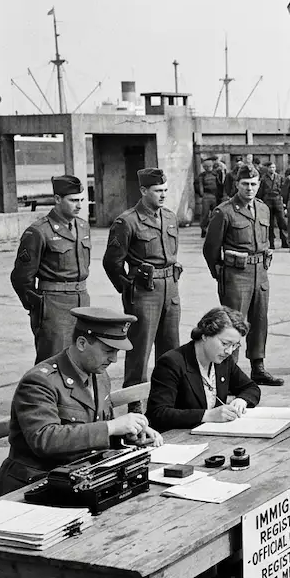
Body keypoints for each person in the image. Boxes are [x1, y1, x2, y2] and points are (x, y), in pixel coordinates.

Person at [0, 307, 162, 578]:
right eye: (108, 349)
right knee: (96, 538)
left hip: (77, 480)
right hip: (33, 488)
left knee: (138, 517)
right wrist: (112, 426)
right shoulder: (40, 381)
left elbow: (96, 431)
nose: (113, 358)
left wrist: (129, 433)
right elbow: (44, 439)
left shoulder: (98, 373)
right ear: (83, 343)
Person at [102, 168, 182, 407]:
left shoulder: (169, 217)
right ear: (144, 190)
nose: (163, 195)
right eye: (158, 191)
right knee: (140, 349)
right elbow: (112, 262)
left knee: (171, 347)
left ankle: (167, 395)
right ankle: (135, 400)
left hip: (171, 287)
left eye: (165, 190)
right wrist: (127, 289)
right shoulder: (127, 221)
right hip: (144, 292)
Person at [203, 164, 284, 386]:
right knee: (233, 325)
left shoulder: (264, 208)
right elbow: (210, 249)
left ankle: (258, 367)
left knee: (259, 321)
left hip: (261, 274)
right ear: (237, 185)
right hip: (236, 275)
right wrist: (219, 273)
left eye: (253, 184)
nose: (250, 188)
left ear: (259, 185)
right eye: (245, 184)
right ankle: (229, 375)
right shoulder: (225, 211)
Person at [10, 175, 93, 364]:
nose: (79, 205)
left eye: (81, 200)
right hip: (54, 305)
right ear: (57, 199)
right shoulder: (39, 231)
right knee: (53, 361)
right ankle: (43, 394)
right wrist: (37, 306)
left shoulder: (83, 226)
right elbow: (21, 277)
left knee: (80, 359)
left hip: (82, 299)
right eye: (73, 200)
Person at [146, 305, 261, 431]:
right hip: (173, 437)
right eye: (225, 343)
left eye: (235, 346)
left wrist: (242, 400)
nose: (229, 351)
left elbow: (251, 388)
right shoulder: (171, 362)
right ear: (205, 335)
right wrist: (208, 415)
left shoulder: (223, 360)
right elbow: (159, 413)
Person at [197, 158, 224, 238]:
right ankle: (204, 229)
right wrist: (202, 193)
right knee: (205, 214)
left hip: (215, 196)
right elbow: (200, 185)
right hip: (206, 195)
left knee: (215, 214)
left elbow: (220, 183)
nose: (208, 168)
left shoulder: (216, 174)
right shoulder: (202, 175)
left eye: (209, 166)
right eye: (206, 166)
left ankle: (213, 230)